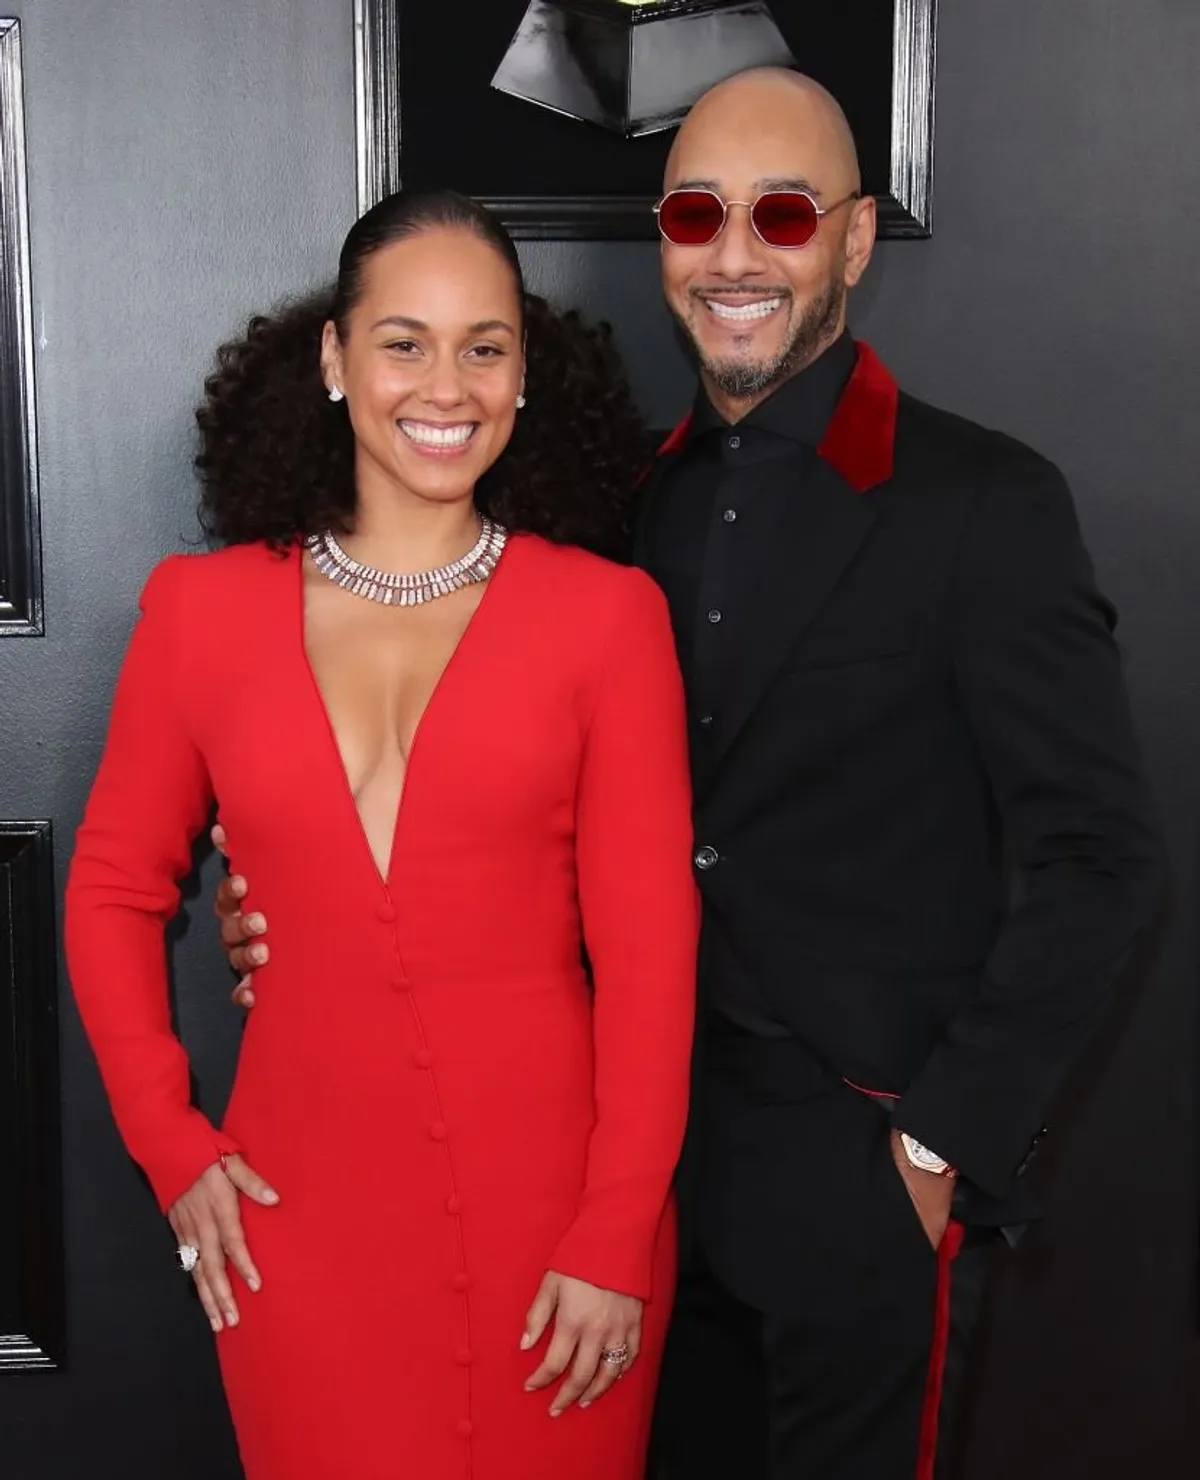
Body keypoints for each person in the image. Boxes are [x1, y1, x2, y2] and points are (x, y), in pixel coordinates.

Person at [217, 69, 1163, 1480]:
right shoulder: (611, 513)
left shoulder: (984, 504)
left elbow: (1104, 857)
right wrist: (284, 912)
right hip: (619, 1184)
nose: (734, 253)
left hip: (857, 1170)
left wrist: (937, 1153)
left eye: (782, 213)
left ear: (850, 241)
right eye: (695, 212)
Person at [64, 188, 699, 1480]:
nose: (446, 385)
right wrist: (172, 1142)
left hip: (560, 1234)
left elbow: (650, 955)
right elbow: (112, 888)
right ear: (333, 360)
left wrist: (617, 1229)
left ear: (527, 375)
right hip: (298, 1230)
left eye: (486, 345)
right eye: (404, 340)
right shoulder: (200, 613)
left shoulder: (608, 620)